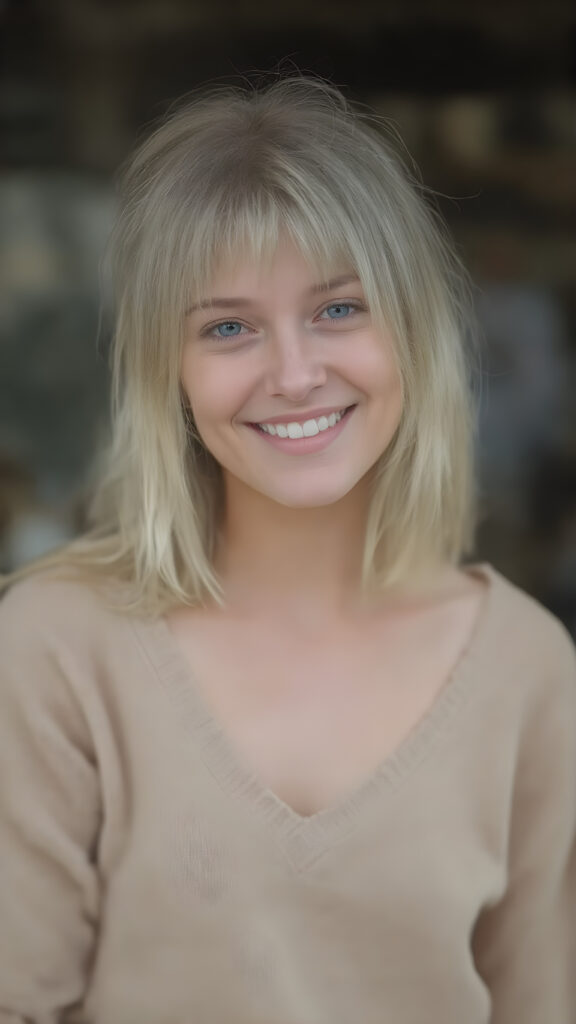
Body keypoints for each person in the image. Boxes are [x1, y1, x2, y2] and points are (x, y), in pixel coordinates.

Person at [0, 75, 574, 1024]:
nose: (296, 373)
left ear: (414, 332)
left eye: (339, 310)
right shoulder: (52, 651)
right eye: (228, 327)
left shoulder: (526, 669)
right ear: (167, 373)